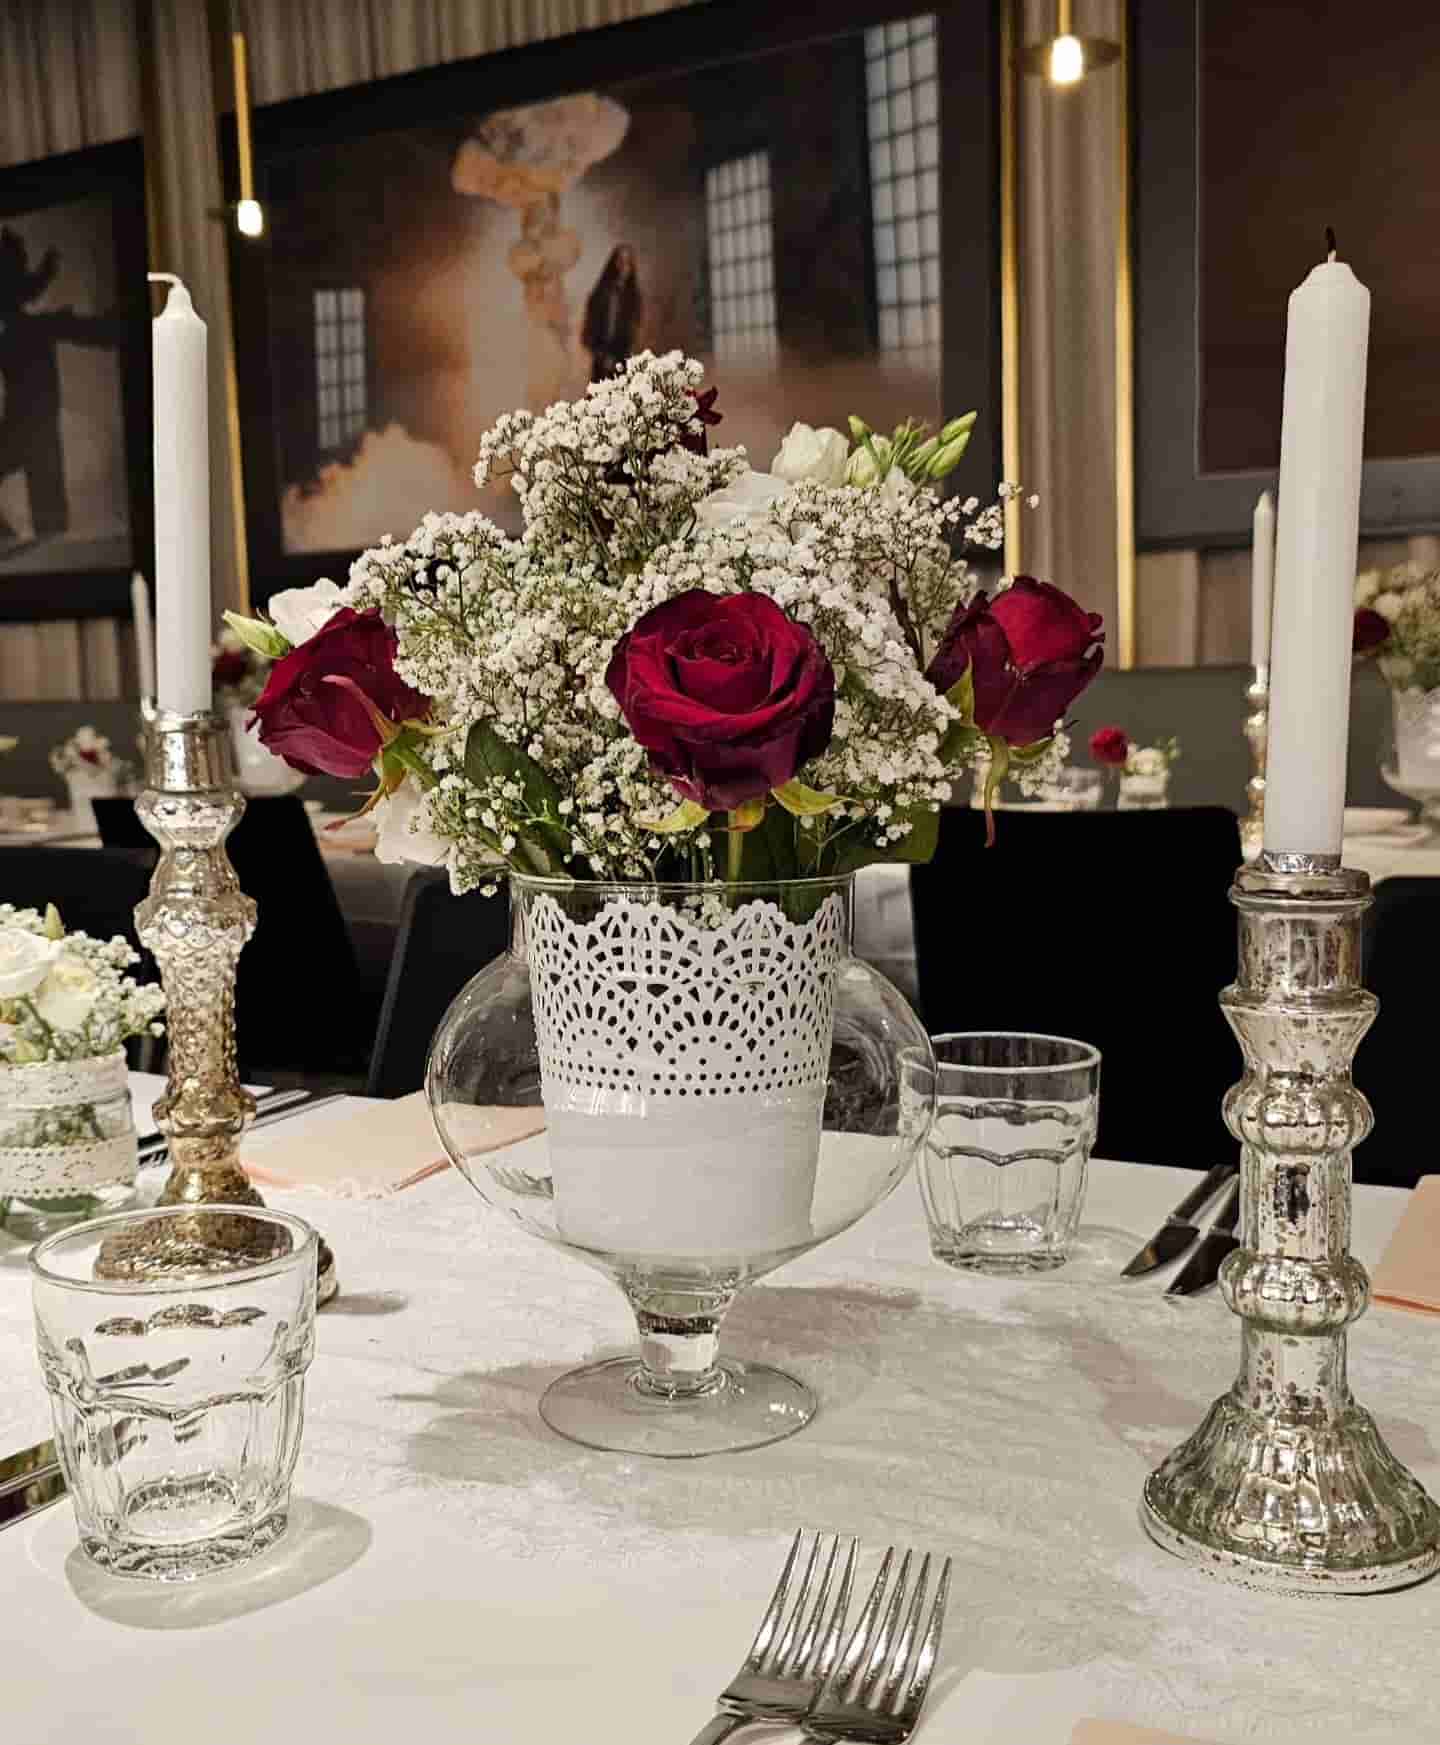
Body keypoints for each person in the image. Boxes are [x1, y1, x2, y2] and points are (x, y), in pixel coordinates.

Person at [0, 228, 120, 545]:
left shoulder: (30, 329)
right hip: (31, 429)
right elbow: (94, 331)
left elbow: (95, 332)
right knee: (50, 517)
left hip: (33, 429)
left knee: (50, 518)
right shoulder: (28, 329)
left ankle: (35, 538)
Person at [581, 244, 642, 382]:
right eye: (620, 261)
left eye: (628, 263)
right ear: (613, 263)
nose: (623, 267)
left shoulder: (634, 297)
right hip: (601, 357)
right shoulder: (601, 293)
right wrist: (600, 355)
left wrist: (626, 355)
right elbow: (589, 330)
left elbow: (634, 331)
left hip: (623, 359)